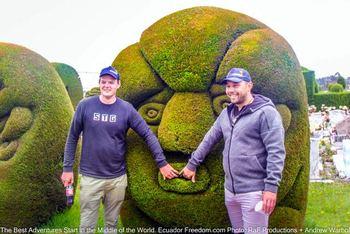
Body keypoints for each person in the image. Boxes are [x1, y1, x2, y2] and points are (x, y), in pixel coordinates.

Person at [61, 66, 178, 233]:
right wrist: (67, 169)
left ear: (118, 84)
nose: (107, 85)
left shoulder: (126, 109)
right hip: (91, 178)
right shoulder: (85, 106)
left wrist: (162, 163)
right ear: (100, 83)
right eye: (104, 82)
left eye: (111, 82)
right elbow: (72, 138)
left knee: (112, 224)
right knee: (87, 225)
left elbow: (148, 135)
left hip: (117, 179)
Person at [180, 68, 286, 233]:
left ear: (249, 85)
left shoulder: (266, 113)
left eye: (236, 85)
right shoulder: (226, 113)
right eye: (228, 86)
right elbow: (209, 140)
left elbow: (276, 152)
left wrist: (271, 188)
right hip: (230, 191)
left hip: (254, 192)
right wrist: (192, 165)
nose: (230, 90)